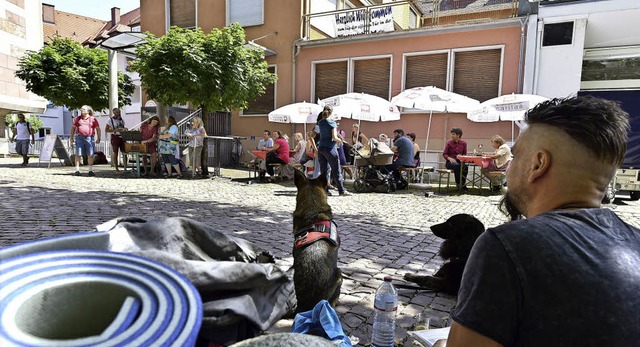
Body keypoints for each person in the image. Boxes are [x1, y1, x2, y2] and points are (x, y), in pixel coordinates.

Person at [447, 96, 640, 347]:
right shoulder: (635, 240)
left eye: (515, 157)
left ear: (538, 164)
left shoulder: (507, 246)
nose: (508, 168)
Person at [317, 105, 351, 196]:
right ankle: (341, 191)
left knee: (324, 171)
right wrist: (340, 140)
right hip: (330, 148)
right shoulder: (332, 123)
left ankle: (325, 190)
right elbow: (334, 137)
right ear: (331, 112)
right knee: (336, 170)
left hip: (321, 148)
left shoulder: (320, 122)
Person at [70, 105, 101, 176]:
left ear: (88, 111)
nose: (82, 110)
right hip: (79, 137)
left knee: (90, 154)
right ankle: (77, 170)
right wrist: (71, 137)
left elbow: (98, 129)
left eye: (83, 109)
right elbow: (73, 128)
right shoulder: (78, 118)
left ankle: (90, 170)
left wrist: (99, 138)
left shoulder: (93, 119)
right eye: (81, 109)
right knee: (78, 154)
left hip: (90, 138)